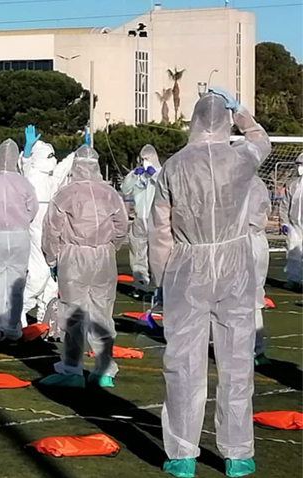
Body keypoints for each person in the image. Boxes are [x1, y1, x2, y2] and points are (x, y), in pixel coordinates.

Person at [150, 90, 270, 478]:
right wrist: (243, 115)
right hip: (235, 264)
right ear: (226, 122)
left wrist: (160, 279)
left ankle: (182, 453)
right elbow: (261, 141)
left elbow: (161, 229)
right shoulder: (241, 158)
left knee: (183, 360)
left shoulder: (174, 166)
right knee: (237, 360)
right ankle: (238, 453)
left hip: (188, 265)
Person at [39, 146, 129, 388]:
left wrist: (52, 259)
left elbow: (52, 230)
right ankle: (104, 369)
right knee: (102, 312)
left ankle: (72, 370)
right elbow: (122, 226)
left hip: (74, 256)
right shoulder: (110, 194)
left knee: (73, 313)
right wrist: (109, 247)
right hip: (103, 256)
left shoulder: (66, 194)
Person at [0, 139, 38, 344]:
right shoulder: (23, 182)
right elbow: (33, 208)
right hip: (19, 236)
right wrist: (21, 221)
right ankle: (12, 329)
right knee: (16, 285)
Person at [20, 125, 77, 323]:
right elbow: (25, 165)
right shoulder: (31, 176)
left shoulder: (50, 180)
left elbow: (62, 169)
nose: (52, 160)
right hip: (35, 232)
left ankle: (44, 319)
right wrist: (27, 149)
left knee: (51, 283)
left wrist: (78, 152)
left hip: (50, 233)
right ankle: (19, 310)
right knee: (38, 276)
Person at [121, 145, 163, 298]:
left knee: (158, 254)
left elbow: (165, 187)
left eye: (147, 158)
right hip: (139, 218)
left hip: (156, 219)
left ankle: (160, 287)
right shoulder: (138, 175)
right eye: (142, 159)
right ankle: (140, 286)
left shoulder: (162, 173)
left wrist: (153, 175)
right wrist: (133, 176)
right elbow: (125, 189)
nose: (144, 161)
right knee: (138, 253)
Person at [247, 177, 270, 366]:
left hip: (241, 240)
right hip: (258, 241)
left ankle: (253, 348)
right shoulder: (257, 182)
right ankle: (258, 350)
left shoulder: (229, 180)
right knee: (255, 296)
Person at [281, 153, 302, 290]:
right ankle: (293, 279)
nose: (300, 168)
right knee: (293, 252)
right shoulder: (292, 185)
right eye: (299, 164)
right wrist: (284, 222)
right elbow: (284, 204)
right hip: (294, 224)